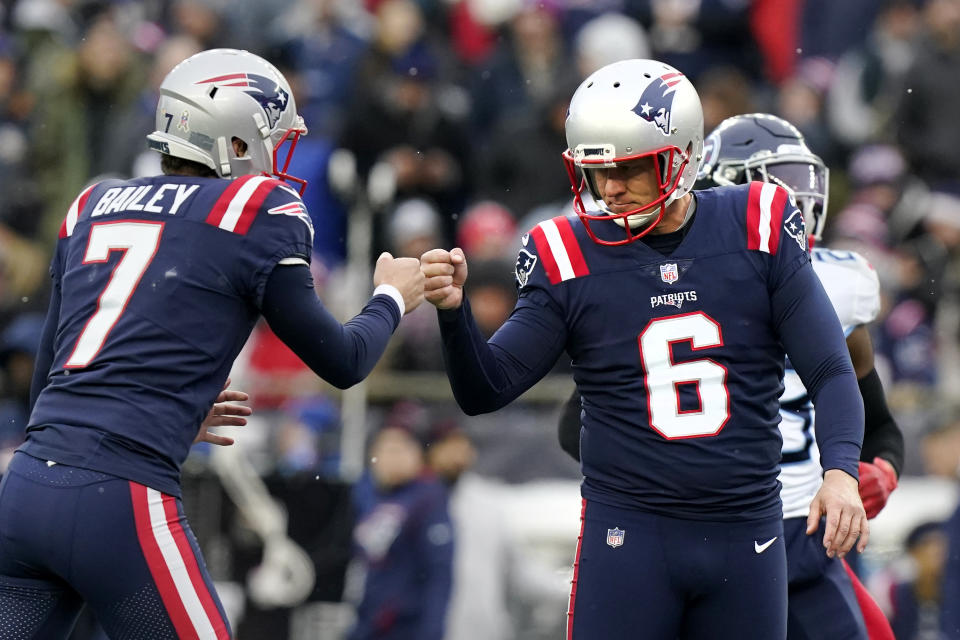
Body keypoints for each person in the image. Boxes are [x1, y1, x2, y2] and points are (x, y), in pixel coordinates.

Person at [420, 59, 868, 639]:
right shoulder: (567, 251)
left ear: (681, 155)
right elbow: (486, 390)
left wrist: (841, 472)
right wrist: (454, 315)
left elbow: (832, 369)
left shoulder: (756, 223)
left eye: (629, 168)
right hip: (628, 535)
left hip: (745, 533)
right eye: (596, 170)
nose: (609, 188)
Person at [0, 48, 424, 639]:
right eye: (272, 138)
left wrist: (163, 407)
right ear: (238, 141)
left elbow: (50, 380)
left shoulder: (92, 204)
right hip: (119, 497)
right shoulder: (255, 209)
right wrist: (392, 297)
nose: (279, 155)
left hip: (24, 493)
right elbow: (345, 361)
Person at [558, 112, 903, 639]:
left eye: (803, 184)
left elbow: (873, 414)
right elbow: (575, 424)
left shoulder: (841, 281)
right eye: (778, 186)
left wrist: (871, 469)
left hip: (806, 537)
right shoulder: (656, 283)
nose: (798, 205)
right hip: (709, 532)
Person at [349, 413, 453, 640]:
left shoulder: (428, 499)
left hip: (406, 626)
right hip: (367, 622)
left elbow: (439, 574)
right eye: (386, 449)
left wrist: (431, 632)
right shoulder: (364, 494)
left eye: (401, 448)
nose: (392, 457)